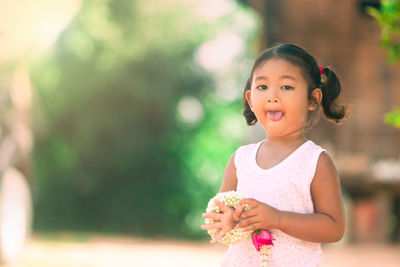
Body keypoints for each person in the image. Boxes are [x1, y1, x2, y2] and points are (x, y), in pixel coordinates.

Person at [200, 43, 346, 266]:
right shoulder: (240, 160)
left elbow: (334, 228)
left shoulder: (314, 162)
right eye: (262, 87)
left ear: (312, 99)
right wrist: (227, 221)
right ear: (250, 99)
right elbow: (219, 216)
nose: (272, 96)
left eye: (286, 87)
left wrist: (278, 219)